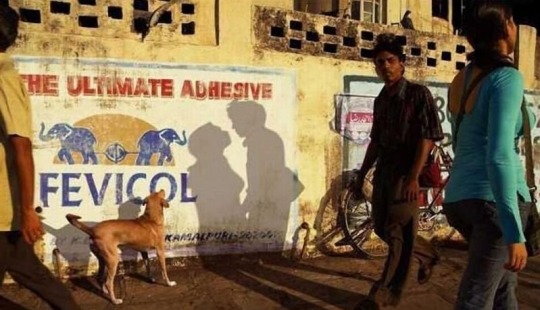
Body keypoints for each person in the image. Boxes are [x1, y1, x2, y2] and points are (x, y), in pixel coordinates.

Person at [443, 2, 532, 309]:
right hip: (493, 203)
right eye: (513, 19)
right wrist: (512, 228)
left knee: (504, 289)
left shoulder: (461, 78)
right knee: (476, 298)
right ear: (504, 28)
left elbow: (461, 142)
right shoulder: (507, 79)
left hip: (459, 199)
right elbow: (499, 155)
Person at [353, 33, 444, 309]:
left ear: (402, 62)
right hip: (385, 173)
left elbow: (428, 137)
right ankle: (427, 254)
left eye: (390, 61)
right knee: (381, 227)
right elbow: (376, 141)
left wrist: (414, 176)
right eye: (379, 63)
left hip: (407, 174)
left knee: (397, 234)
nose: (385, 67)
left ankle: (382, 297)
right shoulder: (381, 99)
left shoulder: (418, 94)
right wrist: (362, 173)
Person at [0, 6, 81, 310]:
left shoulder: (3, 76)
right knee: (32, 273)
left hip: (4, 211)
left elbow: (21, 144)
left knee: (33, 274)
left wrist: (26, 212)